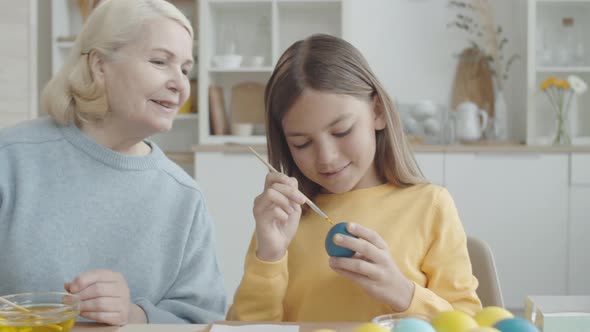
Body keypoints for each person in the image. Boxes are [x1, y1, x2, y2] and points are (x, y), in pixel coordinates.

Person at [0, 0, 226, 325]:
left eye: (186, 69)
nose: (180, 84)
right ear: (99, 65)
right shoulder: (9, 161)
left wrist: (134, 315)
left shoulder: (185, 198)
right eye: (161, 61)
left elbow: (203, 321)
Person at [229, 34, 482, 322]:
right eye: (301, 143)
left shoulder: (430, 205)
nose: (326, 157)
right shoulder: (284, 219)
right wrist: (270, 255)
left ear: (377, 112)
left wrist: (402, 292)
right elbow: (248, 327)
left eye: (341, 131)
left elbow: (467, 323)